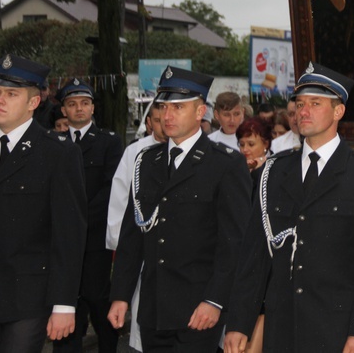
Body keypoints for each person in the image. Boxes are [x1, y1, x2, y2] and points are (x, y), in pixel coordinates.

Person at [224, 61, 354, 353]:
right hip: (283, 328)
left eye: (315, 103)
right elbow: (254, 256)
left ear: (338, 111)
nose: (303, 111)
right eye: (300, 103)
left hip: (338, 330)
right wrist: (239, 322)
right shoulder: (275, 171)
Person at [108, 66, 252, 352]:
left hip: (198, 308)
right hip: (153, 308)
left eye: (178, 107)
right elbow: (133, 234)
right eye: (163, 106)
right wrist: (121, 294)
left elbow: (233, 242)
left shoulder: (225, 164)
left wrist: (214, 300)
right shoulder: (147, 161)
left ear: (200, 112)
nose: (167, 115)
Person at [0, 54, 87, 353]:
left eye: (11, 94)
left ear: (33, 103)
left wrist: (64, 303)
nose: (0, 99)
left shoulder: (57, 154)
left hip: (26, 297)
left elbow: (69, 234)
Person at [52, 79, 123, 353]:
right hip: (60, 242)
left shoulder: (109, 142)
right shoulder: (53, 143)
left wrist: (76, 221)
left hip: (94, 240)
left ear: (93, 108)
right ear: (64, 111)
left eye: (84, 103)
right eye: (72, 104)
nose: (78, 109)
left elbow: (111, 189)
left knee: (98, 300)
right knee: (66, 302)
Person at [106, 104, 167, 352]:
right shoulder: (136, 153)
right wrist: (117, 245)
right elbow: (121, 200)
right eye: (158, 119)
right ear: (150, 122)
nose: (164, 123)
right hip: (142, 245)